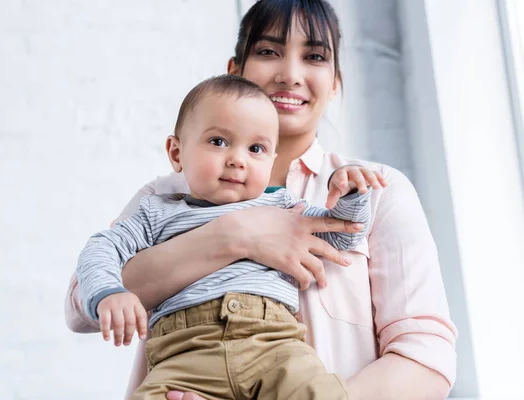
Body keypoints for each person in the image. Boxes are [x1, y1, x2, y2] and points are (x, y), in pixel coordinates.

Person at [65, 1, 458, 399]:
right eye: (268, 52)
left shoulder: (373, 190)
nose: (290, 75)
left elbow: (426, 357)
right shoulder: (165, 196)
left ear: (335, 80)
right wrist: (235, 235)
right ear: (233, 72)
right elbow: (80, 305)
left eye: (314, 57)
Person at [76, 74, 380, 399]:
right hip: (184, 355)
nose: (237, 159)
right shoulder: (155, 211)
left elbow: (341, 234)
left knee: (319, 392)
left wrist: (350, 194)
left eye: (256, 148)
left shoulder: (284, 207)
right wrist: (109, 292)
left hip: (275, 347)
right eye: (218, 142)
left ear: (272, 160)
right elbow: (101, 247)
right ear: (176, 153)